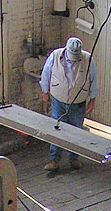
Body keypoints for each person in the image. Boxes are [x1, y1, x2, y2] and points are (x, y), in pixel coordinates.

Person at [38, 36, 99, 173]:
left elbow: (94, 79)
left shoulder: (88, 59)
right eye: (71, 56)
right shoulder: (55, 56)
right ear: (66, 50)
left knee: (76, 130)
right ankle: (54, 160)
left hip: (78, 103)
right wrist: (45, 91)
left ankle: (73, 158)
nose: (73, 59)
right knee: (57, 129)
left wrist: (93, 99)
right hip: (59, 100)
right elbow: (46, 74)